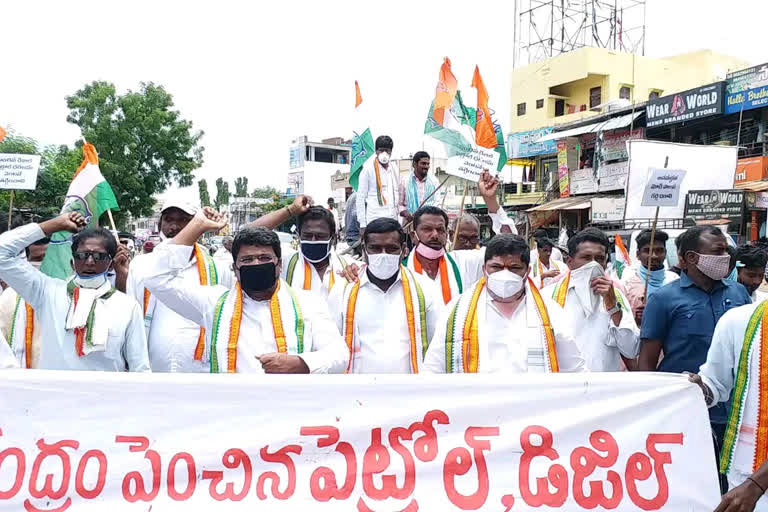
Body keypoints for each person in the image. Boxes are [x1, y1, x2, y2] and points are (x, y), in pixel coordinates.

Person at [143, 207, 347, 374]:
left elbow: (339, 355)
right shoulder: (214, 304)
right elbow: (156, 278)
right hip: (235, 416)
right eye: (247, 260)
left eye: (265, 258)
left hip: (288, 413)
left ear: (279, 265)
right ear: (235, 269)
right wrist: (196, 226)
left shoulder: (307, 304)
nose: (256, 264)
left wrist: (300, 363)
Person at [638, 225, 751, 476]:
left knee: (731, 478)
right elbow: (646, 362)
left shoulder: (739, 293)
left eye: (726, 251)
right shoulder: (664, 299)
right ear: (691, 258)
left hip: (735, 410)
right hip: (685, 410)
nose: (726, 258)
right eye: (718, 251)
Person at [0, 213, 149, 371]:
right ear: (72, 261)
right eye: (83, 255)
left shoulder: (127, 306)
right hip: (53, 393)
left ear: (111, 264)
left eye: (99, 256)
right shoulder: (47, 292)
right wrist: (53, 225)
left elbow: (140, 367)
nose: (90, 262)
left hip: (106, 395)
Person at [423, 234, 584, 373]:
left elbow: (575, 370)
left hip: (532, 405)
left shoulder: (551, 312)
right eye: (496, 267)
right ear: (484, 269)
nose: (505, 274)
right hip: (476, 405)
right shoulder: (456, 312)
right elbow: (433, 369)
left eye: (514, 268)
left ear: (527, 271)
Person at [126, 199, 233, 373]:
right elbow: (132, 316)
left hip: (202, 370)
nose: (174, 227)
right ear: (160, 224)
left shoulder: (219, 269)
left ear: (197, 224)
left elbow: (222, 317)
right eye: (168, 219)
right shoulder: (141, 265)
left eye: (183, 219)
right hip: (153, 367)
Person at [328, 217, 440, 373]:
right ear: (364, 248)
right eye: (375, 248)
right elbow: (332, 345)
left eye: (391, 249)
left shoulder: (425, 288)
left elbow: (436, 344)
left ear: (403, 250)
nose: (383, 255)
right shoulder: (343, 290)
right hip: (357, 391)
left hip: (409, 390)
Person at [689, 299, 768, 512]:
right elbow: (715, 383)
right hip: (744, 475)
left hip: (753, 485)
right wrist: (697, 391)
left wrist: (757, 484)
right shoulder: (738, 321)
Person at [405, 171, 515, 305]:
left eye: (440, 230)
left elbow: (511, 245)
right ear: (413, 236)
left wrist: (491, 201)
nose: (434, 235)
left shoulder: (462, 261)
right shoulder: (401, 271)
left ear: (447, 234)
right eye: (427, 229)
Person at [543, 228, 638, 372]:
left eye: (599, 259)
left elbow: (631, 349)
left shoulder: (615, 296)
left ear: (606, 263)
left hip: (603, 389)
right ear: (569, 262)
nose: (593, 265)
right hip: (562, 388)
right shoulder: (548, 296)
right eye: (586, 258)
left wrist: (613, 307)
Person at [250, 199, 352, 300]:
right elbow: (248, 234)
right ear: (299, 235)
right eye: (307, 236)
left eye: (320, 236)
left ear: (332, 237)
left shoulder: (350, 267)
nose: (313, 240)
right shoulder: (285, 263)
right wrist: (291, 209)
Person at [0, 234, 49, 368]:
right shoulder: (9, 296)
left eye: (45, 259)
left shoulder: (64, 294)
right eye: (37, 259)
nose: (41, 265)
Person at [622, 229, 679, 326]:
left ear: (665, 253)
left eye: (659, 250)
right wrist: (636, 318)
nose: (654, 256)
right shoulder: (627, 283)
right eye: (647, 251)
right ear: (638, 254)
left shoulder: (675, 280)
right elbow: (622, 321)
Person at [356, 135, 399, 230]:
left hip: (392, 219)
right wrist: (362, 224)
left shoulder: (394, 168)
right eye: (381, 150)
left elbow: (397, 192)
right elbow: (360, 198)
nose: (384, 153)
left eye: (387, 151)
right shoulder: (367, 169)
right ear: (376, 151)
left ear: (391, 152)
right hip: (374, 219)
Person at [398, 151, 441, 224]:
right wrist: (405, 213)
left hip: (428, 226)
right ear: (414, 164)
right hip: (409, 226)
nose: (426, 166)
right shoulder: (405, 180)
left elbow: (437, 204)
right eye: (423, 163)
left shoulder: (434, 181)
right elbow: (399, 204)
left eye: (428, 164)